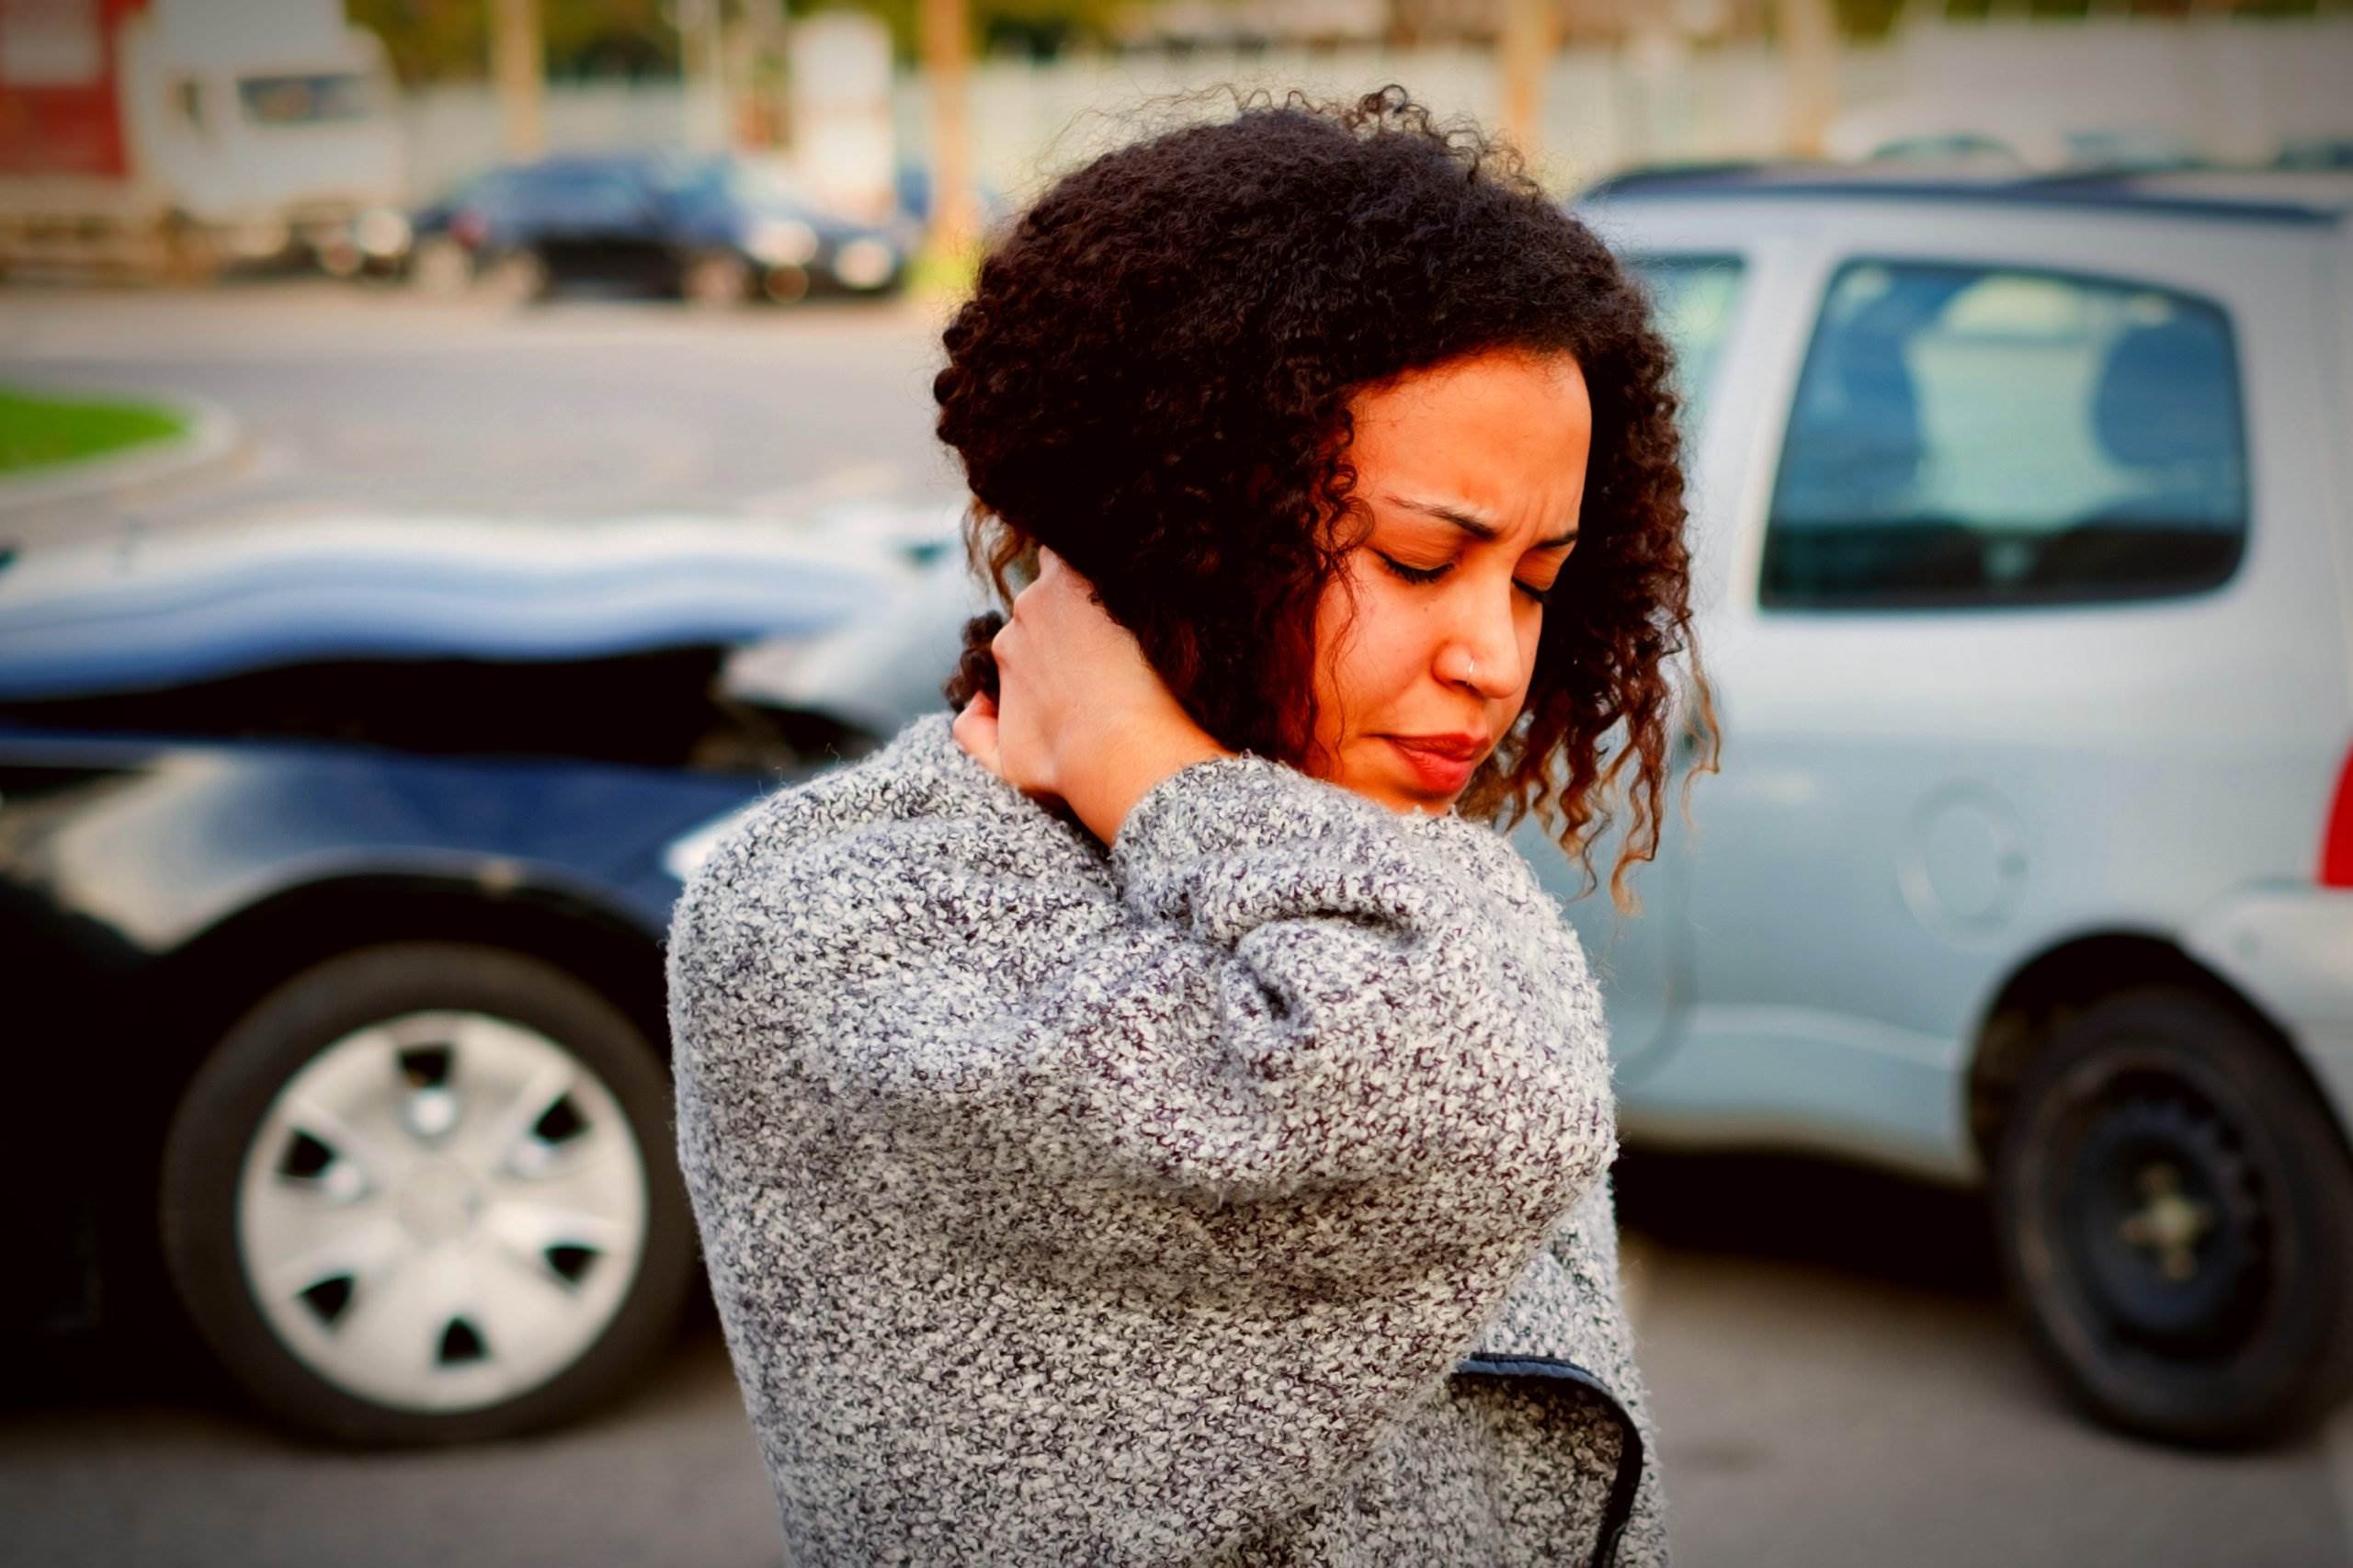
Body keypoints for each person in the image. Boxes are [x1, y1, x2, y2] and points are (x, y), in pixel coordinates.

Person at [666, 84, 1719, 1566]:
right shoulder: (835, 914)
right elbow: (1471, 1086)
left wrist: (1151, 771)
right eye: (1422, 560)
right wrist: (1133, 754)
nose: (1492, 652)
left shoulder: (1337, 856)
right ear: (1174, 514)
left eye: (1537, 581)